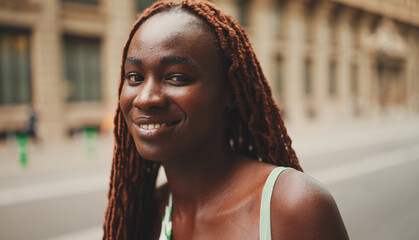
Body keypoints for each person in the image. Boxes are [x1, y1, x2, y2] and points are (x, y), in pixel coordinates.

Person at [103, 1, 349, 240]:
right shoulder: (144, 214)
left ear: (230, 92)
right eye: (134, 77)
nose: (145, 99)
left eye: (176, 78)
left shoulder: (293, 205)